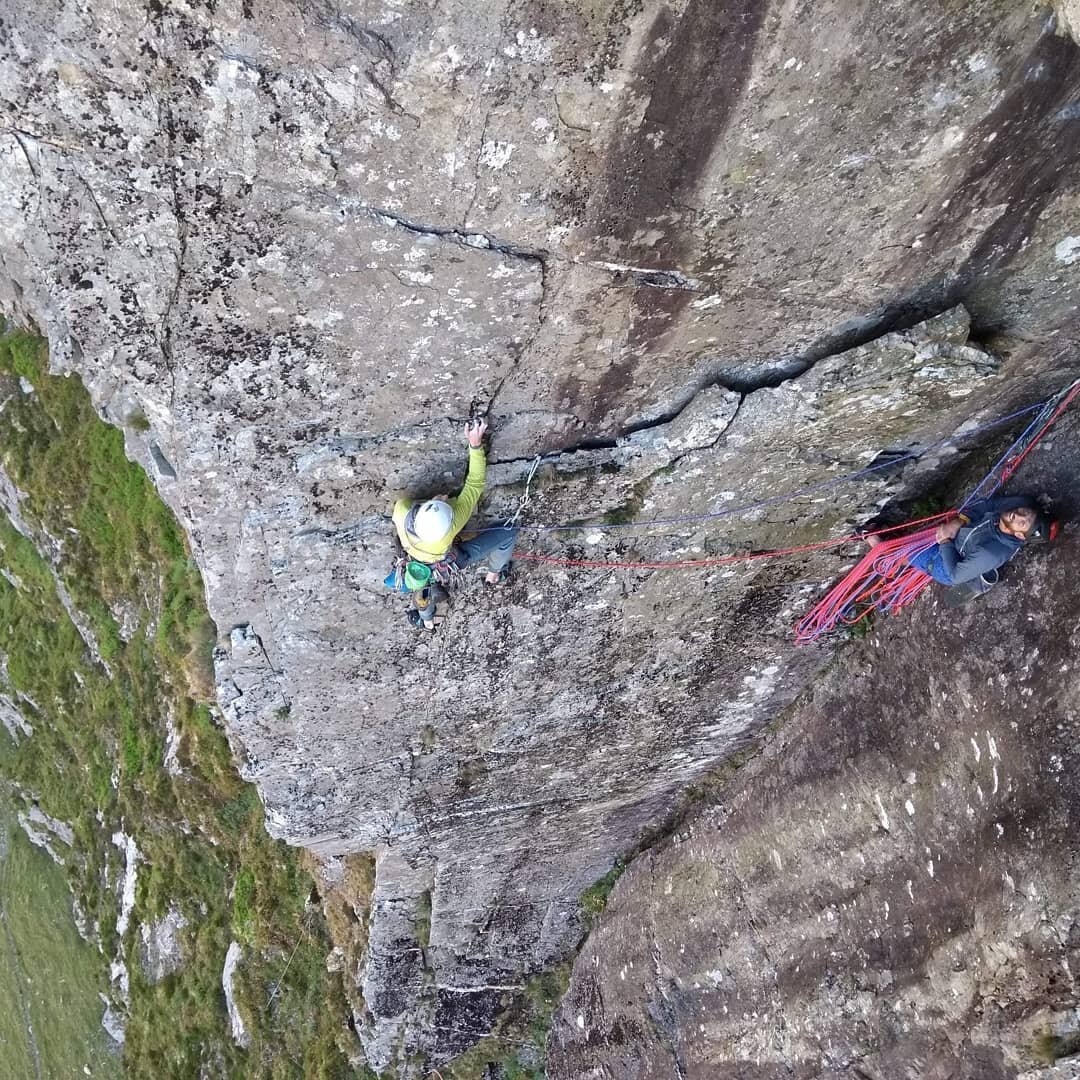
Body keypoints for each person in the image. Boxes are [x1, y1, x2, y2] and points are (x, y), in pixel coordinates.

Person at [392, 418, 517, 629]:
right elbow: (475, 484)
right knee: (509, 531)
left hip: (414, 561)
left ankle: (427, 620)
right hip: (447, 560)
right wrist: (475, 445)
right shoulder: (453, 522)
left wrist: (437, 503)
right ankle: (493, 574)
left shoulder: (402, 510)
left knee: (421, 588)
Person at [867, 494, 1057, 594]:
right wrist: (958, 522)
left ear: (1019, 536)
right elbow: (988, 504)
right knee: (915, 542)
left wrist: (945, 542)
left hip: (946, 564)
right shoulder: (1019, 505)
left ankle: (877, 545)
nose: (1018, 515)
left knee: (912, 554)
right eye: (1024, 512)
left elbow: (955, 575)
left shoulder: (992, 553)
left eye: (1022, 522)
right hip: (959, 535)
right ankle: (898, 542)